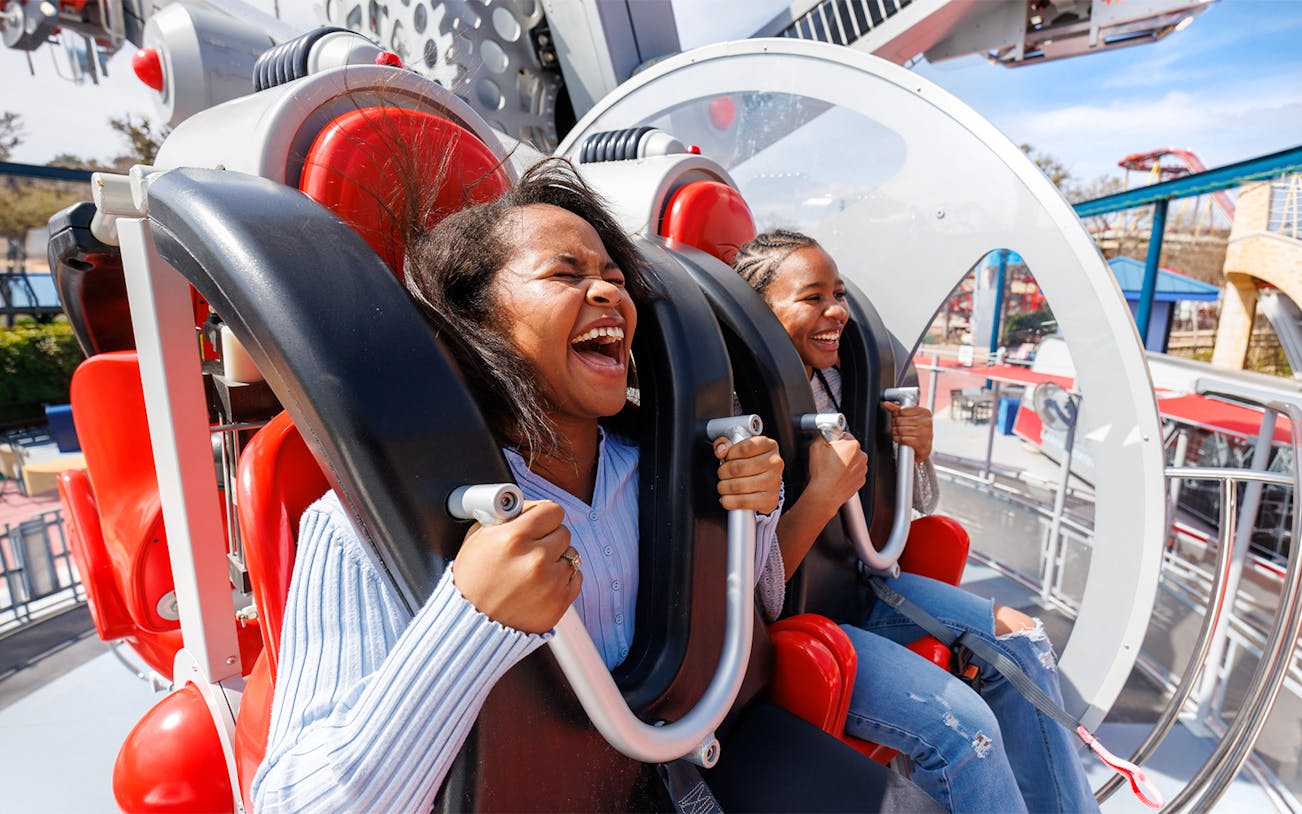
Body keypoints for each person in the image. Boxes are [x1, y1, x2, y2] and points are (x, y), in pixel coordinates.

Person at [253, 162, 940, 813]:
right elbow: (294, 799)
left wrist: (755, 510)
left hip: (686, 766)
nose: (610, 293)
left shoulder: (665, 471)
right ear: (476, 320)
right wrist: (470, 617)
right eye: (565, 273)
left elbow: (757, 604)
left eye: (615, 276)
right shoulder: (367, 528)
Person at [734, 229, 1099, 814]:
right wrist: (821, 496)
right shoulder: (737, 415)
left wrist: (916, 454)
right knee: (966, 733)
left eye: (838, 294)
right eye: (812, 297)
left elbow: (919, 503)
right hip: (798, 623)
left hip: (861, 584)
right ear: (757, 311)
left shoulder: (840, 382)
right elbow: (756, 591)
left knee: (1024, 642)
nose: (836, 312)